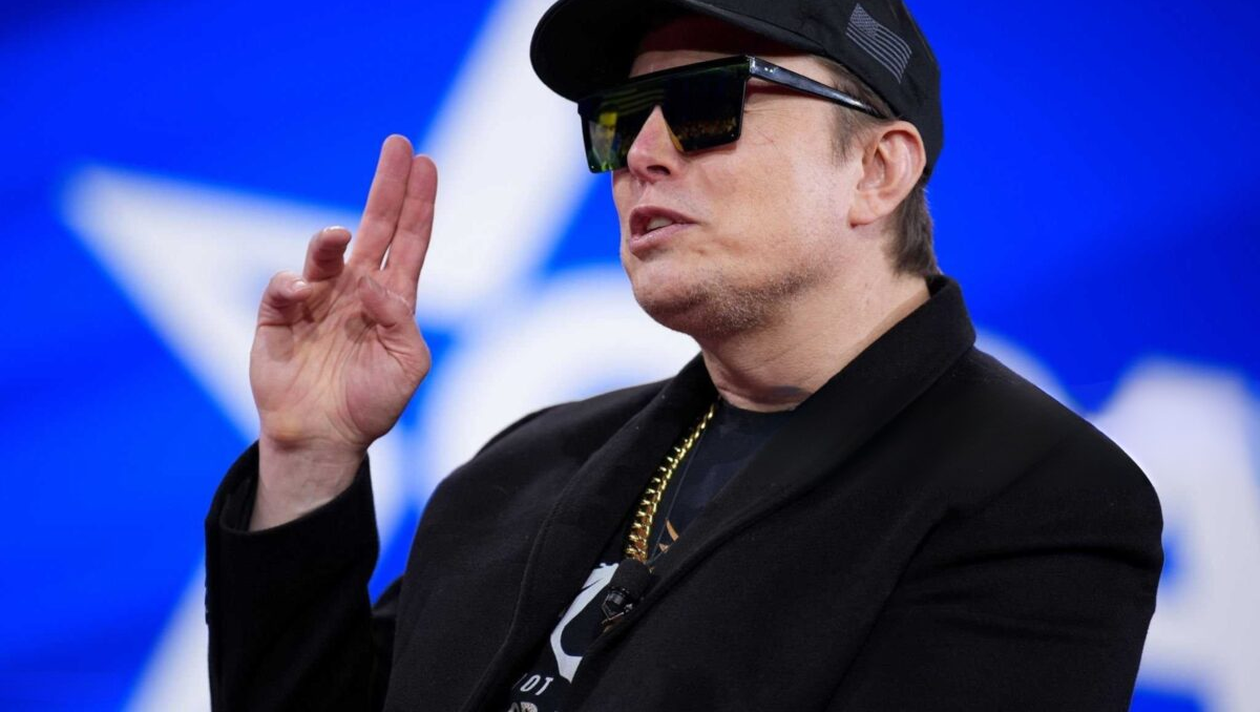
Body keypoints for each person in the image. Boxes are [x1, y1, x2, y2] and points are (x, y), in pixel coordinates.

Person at [204, 0, 1163, 710]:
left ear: (878, 169)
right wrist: (309, 457)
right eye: (620, 119)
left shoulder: (1043, 498)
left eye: (708, 103)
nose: (642, 154)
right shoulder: (525, 465)